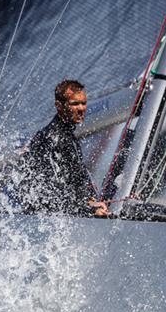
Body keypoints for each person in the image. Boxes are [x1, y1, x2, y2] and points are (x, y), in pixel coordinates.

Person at [15, 80, 109, 217]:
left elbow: (73, 181)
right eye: (75, 104)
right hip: (44, 218)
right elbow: (50, 192)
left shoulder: (66, 134)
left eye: (83, 103)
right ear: (59, 106)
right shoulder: (53, 138)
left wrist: (88, 201)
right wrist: (88, 210)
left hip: (64, 211)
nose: (81, 108)